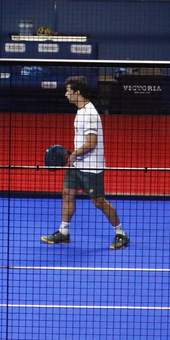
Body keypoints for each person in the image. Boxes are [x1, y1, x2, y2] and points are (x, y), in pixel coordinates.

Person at [42, 77, 128, 249]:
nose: (66, 94)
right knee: (67, 193)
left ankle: (121, 234)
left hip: (91, 166)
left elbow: (92, 143)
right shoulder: (80, 111)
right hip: (77, 165)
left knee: (99, 202)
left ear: (77, 92)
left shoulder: (89, 114)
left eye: (68, 91)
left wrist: (74, 154)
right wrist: (75, 158)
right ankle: (64, 233)